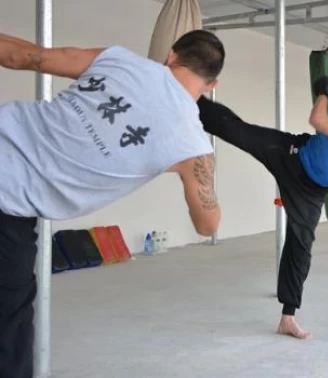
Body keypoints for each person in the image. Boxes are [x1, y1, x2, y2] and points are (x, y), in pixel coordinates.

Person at [0, 30, 226, 378]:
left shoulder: (119, 60)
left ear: (171, 55)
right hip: (10, 208)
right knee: (9, 334)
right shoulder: (192, 148)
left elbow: (22, 56)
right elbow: (208, 225)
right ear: (212, 85)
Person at [195, 68, 328, 340]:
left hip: (311, 190)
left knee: (300, 246)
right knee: (240, 131)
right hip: (293, 154)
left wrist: (323, 93)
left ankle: (288, 317)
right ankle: (190, 97)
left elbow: (317, 118)